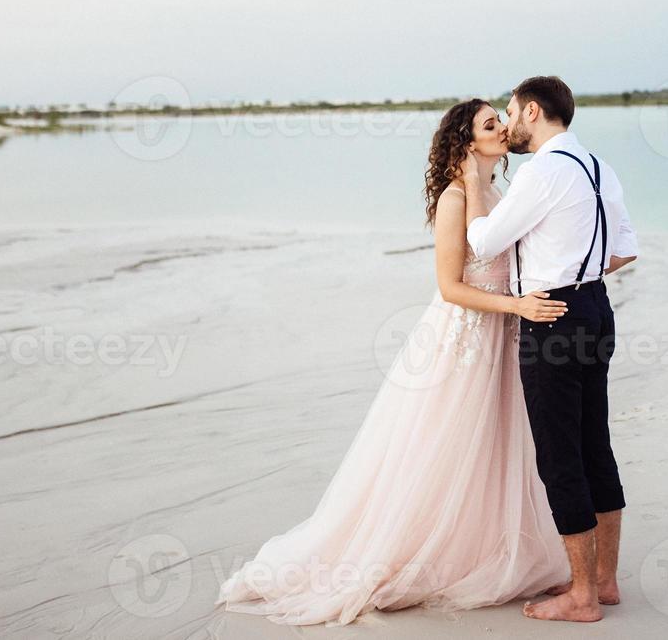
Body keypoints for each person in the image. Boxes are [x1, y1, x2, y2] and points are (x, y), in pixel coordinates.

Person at [215, 98, 571, 626]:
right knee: (447, 443)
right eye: (490, 124)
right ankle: (418, 552)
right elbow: (450, 288)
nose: (502, 128)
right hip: (466, 338)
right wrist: (515, 305)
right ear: (468, 141)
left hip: (506, 334)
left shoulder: (501, 192)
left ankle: (485, 547)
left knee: (498, 444)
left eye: (503, 119)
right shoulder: (455, 197)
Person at [462, 75, 638, 623]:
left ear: (533, 111)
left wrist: (471, 183)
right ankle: (604, 581)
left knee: (561, 457)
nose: (508, 124)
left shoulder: (541, 171)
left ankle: (582, 597)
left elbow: (483, 240)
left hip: (552, 318)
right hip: (596, 310)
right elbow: (623, 253)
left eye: (511, 113)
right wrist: (575, 267)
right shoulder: (598, 166)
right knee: (595, 446)